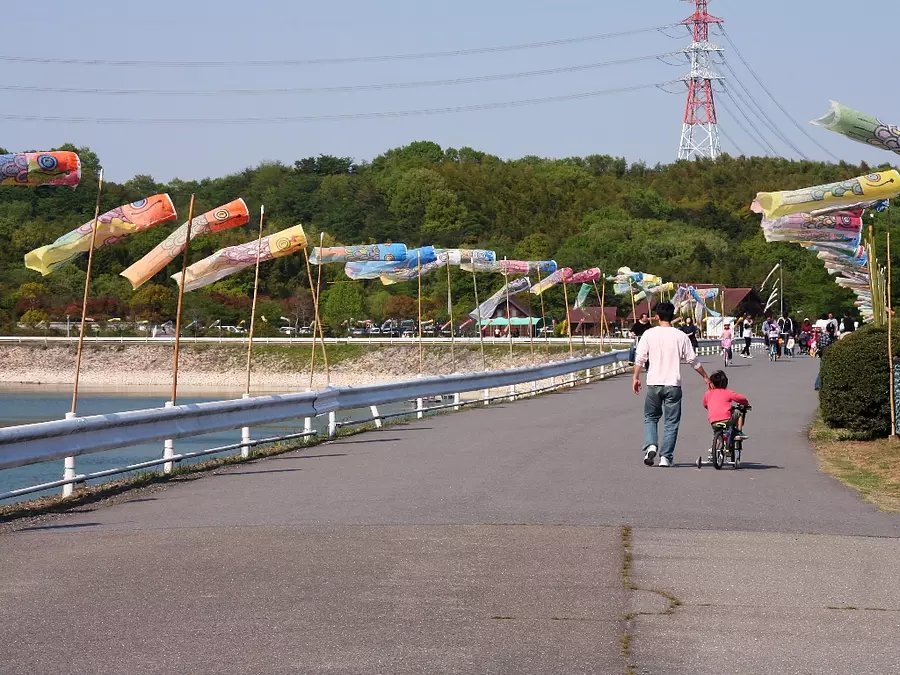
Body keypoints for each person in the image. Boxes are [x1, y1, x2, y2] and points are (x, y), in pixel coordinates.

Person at [632, 301, 712, 468]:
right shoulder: (680, 336)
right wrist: (705, 376)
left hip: (654, 383)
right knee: (671, 422)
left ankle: (651, 445)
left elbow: (640, 358)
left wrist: (636, 377)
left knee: (650, 417)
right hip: (673, 385)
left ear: (657, 316)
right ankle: (665, 457)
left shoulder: (649, 334)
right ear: (672, 315)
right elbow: (692, 360)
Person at [703, 370, 750, 461]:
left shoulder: (708, 393)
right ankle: (739, 432)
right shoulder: (727, 392)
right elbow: (741, 399)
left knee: (716, 432)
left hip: (713, 421)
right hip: (726, 419)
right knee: (738, 412)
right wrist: (746, 404)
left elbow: (705, 404)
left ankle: (715, 450)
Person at [814, 323, 837, 391]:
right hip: (826, 353)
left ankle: (820, 384)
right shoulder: (829, 336)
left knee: (823, 368)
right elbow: (830, 345)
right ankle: (818, 384)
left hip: (822, 353)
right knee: (824, 369)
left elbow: (818, 344)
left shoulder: (822, 335)